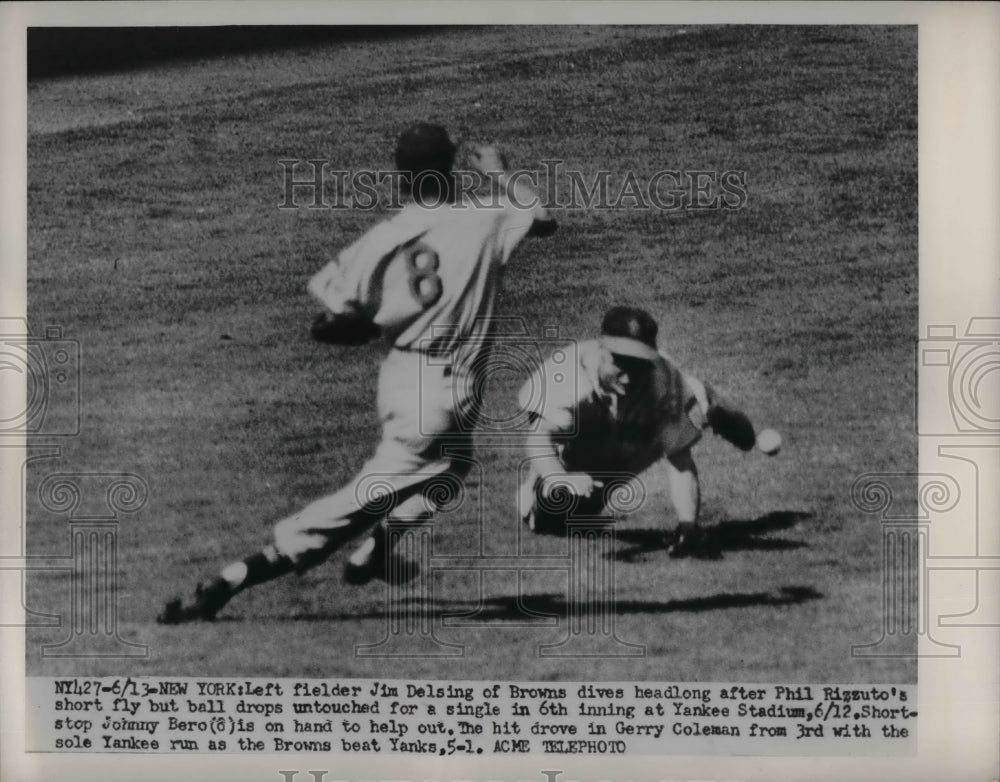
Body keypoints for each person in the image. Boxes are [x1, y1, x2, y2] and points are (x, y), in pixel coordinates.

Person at [159, 123, 555, 623]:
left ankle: (376, 554)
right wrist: (499, 174)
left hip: (403, 378)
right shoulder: (486, 218)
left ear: (402, 179)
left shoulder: (382, 239)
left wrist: (368, 323)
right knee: (363, 501)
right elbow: (541, 217)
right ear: (453, 171)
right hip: (440, 393)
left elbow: (331, 322)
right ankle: (230, 580)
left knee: (450, 472)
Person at [517, 306, 780, 557]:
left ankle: (705, 401)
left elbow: (679, 458)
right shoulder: (569, 387)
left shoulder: (660, 379)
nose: (629, 374)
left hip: (644, 407)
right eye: (620, 362)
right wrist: (557, 477)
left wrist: (688, 527)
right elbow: (538, 440)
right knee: (561, 513)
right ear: (601, 351)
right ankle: (535, 489)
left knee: (732, 433)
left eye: (638, 363)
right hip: (581, 419)